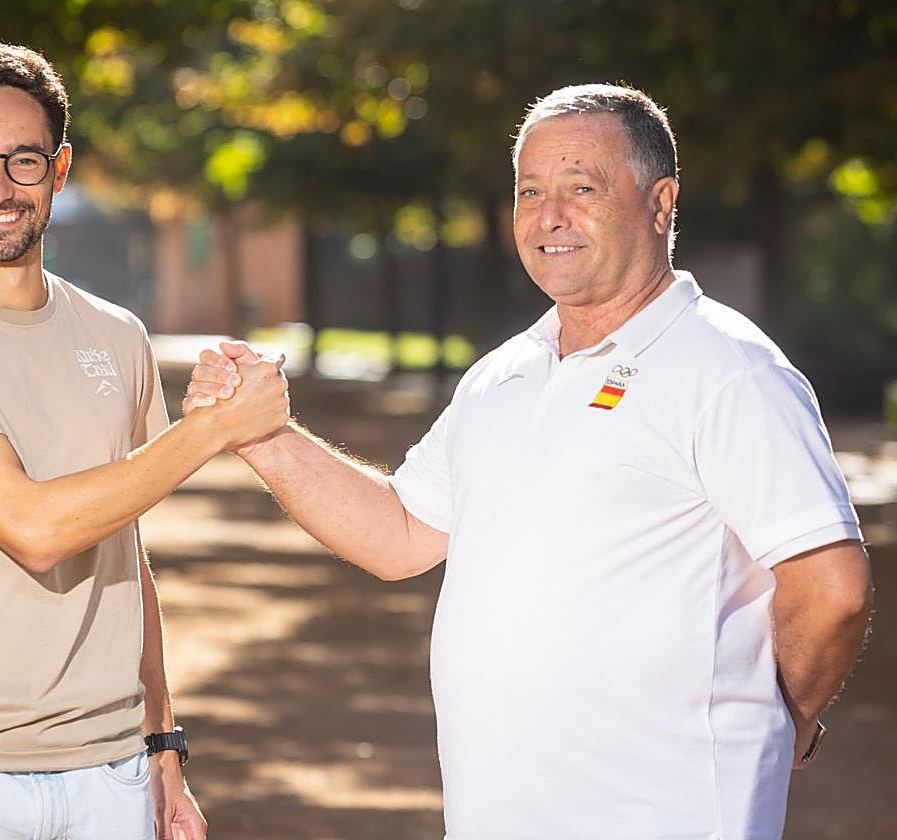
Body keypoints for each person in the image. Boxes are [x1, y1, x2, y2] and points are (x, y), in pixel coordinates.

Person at [185, 83, 872, 839]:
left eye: (582, 188)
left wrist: (783, 717)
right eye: (530, 191)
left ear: (660, 202)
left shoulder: (728, 368)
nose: (550, 216)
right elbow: (401, 533)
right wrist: (261, 436)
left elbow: (831, 588)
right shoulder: (504, 373)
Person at [0, 44, 289, 840]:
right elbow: (38, 529)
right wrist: (214, 426)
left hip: (109, 771)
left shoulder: (116, 336)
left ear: (61, 168)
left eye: (24, 160)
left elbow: (125, 552)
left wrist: (163, 742)